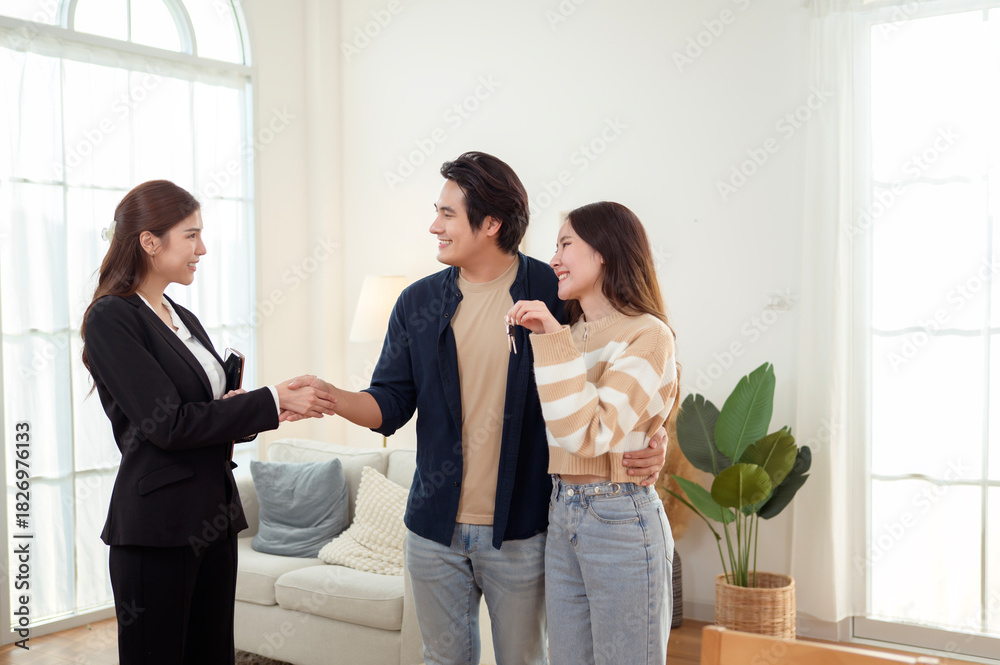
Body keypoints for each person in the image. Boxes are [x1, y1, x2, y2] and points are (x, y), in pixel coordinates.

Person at [287, 153, 667, 665]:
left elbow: (624, 361)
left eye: (447, 214)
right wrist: (334, 397)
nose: (434, 226)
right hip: (433, 529)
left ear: (490, 223)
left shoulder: (555, 293)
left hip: (525, 526)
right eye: (436, 212)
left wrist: (656, 436)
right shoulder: (417, 303)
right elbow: (391, 402)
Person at [81, 180, 335, 665]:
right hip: (158, 528)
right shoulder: (111, 318)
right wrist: (267, 399)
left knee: (214, 654)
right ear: (149, 242)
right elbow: (169, 426)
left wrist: (256, 407)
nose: (203, 249)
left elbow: (202, 413)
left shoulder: (181, 315)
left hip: (213, 516)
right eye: (191, 235)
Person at [506, 201, 678, 665]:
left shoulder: (648, 335)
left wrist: (549, 337)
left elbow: (588, 435)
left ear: (603, 251)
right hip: (563, 511)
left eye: (565, 244)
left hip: (619, 517)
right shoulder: (570, 333)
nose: (554, 259)